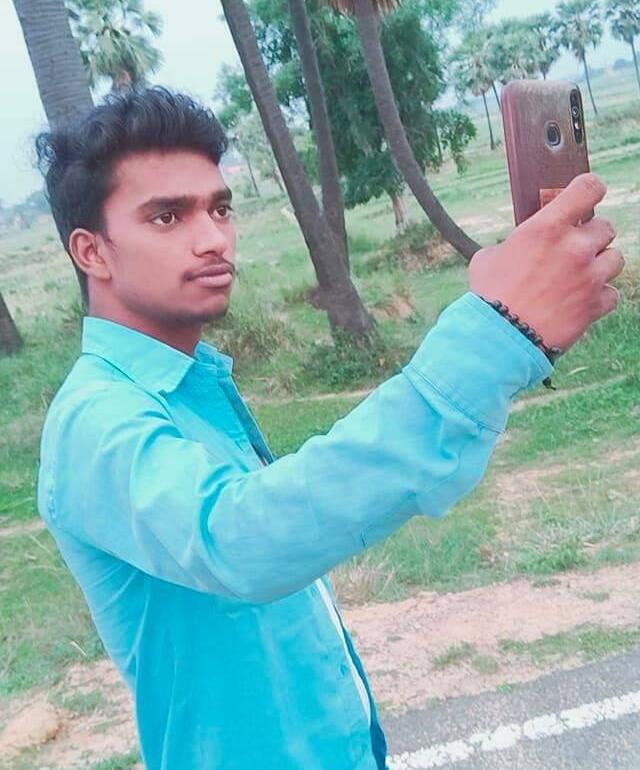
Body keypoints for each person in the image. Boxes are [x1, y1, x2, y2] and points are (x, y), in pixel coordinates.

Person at [36, 87, 623, 770]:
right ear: (92, 252)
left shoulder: (186, 387)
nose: (213, 238)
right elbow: (242, 538)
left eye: (219, 209)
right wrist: (496, 334)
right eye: (167, 217)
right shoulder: (94, 417)